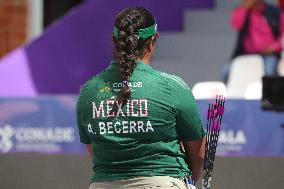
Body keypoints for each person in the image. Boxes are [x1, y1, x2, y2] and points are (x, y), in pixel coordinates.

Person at [76, 7, 205, 189]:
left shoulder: (88, 91)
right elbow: (198, 153)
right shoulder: (172, 87)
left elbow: (95, 152)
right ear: (153, 41)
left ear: (115, 41)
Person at [223, 0, 284, 83]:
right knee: (226, 71)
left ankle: (265, 95)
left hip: (269, 55)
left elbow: (282, 35)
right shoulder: (244, 11)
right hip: (246, 54)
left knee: (269, 72)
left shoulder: (274, 11)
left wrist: (274, 47)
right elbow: (236, 24)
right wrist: (245, 7)